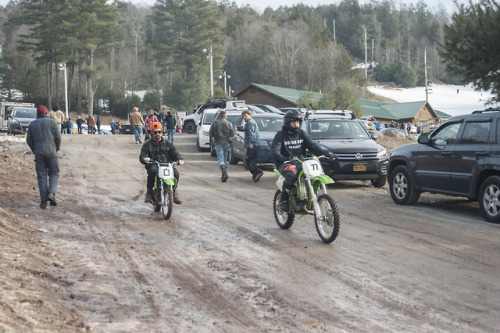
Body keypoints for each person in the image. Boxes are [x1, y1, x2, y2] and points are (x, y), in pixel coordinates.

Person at [270, 109, 333, 212]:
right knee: (292, 175)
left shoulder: (302, 134)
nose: (297, 124)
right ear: (288, 123)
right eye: (294, 122)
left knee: (314, 175)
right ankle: (284, 199)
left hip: (301, 162)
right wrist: (281, 157)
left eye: (298, 122)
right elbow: (274, 149)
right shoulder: (281, 135)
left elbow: (313, 146)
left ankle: (309, 198)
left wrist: (324, 152)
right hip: (285, 163)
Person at [139, 122, 184, 204]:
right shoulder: (147, 145)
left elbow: (175, 153)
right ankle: (149, 193)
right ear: (151, 132)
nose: (157, 134)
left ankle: (173, 192)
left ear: (162, 132)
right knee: (153, 172)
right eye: (155, 132)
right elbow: (142, 156)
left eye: (159, 132)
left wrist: (179, 159)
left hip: (167, 165)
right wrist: (145, 159)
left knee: (176, 173)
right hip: (154, 165)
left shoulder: (168, 144)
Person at [26, 105, 61, 209]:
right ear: (46, 113)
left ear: (37, 114)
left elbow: (29, 140)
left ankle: (43, 202)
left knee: (41, 176)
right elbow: (58, 137)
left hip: (39, 152)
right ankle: (51, 194)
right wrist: (56, 148)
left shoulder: (32, 124)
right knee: (54, 173)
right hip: (51, 149)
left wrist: (35, 149)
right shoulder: (52, 122)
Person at [209, 110, 234, 182]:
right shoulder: (229, 123)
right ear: (225, 116)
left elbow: (211, 133)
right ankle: (224, 172)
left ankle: (224, 172)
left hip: (218, 142)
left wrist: (215, 137)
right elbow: (232, 134)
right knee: (225, 157)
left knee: (220, 157)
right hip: (226, 142)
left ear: (219, 115)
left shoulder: (215, 123)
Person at [241, 109, 263, 182]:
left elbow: (252, 133)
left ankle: (258, 172)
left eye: (245, 115)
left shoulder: (251, 123)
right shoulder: (249, 123)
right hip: (253, 144)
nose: (244, 117)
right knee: (251, 160)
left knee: (249, 160)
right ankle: (256, 176)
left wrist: (251, 143)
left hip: (254, 144)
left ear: (249, 115)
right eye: (243, 116)